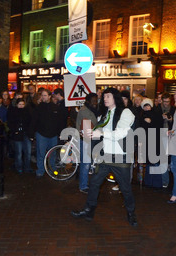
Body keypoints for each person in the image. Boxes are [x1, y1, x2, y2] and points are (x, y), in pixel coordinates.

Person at [70, 87, 137, 227]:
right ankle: (89, 210)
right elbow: (101, 129)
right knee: (94, 183)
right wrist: (90, 132)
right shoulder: (106, 113)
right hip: (106, 155)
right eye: (104, 96)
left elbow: (120, 134)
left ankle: (131, 213)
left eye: (108, 96)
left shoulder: (126, 112)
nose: (104, 99)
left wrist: (100, 134)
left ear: (115, 98)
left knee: (125, 188)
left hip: (121, 156)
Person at [32, 89, 63, 178]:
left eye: (45, 95)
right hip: (42, 133)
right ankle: (40, 170)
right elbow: (34, 121)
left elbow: (59, 122)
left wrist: (59, 132)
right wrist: (32, 132)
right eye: (42, 95)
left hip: (52, 134)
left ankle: (51, 169)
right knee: (41, 153)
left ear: (49, 96)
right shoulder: (38, 108)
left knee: (52, 154)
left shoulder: (55, 107)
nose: (43, 97)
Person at [76, 93, 100, 193]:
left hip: (89, 139)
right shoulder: (85, 111)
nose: (95, 103)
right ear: (88, 101)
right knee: (85, 164)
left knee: (87, 163)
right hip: (86, 140)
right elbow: (87, 128)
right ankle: (83, 186)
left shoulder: (91, 110)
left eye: (96, 100)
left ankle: (84, 183)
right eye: (93, 101)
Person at [138, 98, 164, 189]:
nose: (147, 108)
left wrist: (151, 121)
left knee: (155, 161)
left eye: (148, 105)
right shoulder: (141, 116)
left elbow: (159, 125)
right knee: (149, 162)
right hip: (146, 141)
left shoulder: (156, 114)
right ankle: (149, 182)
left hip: (154, 140)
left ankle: (157, 183)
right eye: (145, 106)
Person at [7, 99, 34, 174]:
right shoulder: (13, 112)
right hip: (18, 134)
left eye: (22, 104)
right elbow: (10, 122)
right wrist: (14, 130)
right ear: (17, 105)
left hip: (26, 133)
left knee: (27, 152)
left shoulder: (28, 112)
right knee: (18, 152)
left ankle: (27, 167)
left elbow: (30, 122)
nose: (21, 106)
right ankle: (19, 167)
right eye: (20, 104)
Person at [158, 92, 175, 188]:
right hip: (161, 134)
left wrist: (171, 120)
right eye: (164, 102)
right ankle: (165, 180)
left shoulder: (174, 109)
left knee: (169, 157)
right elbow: (155, 122)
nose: (166, 104)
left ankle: (166, 178)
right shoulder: (157, 109)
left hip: (170, 134)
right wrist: (161, 118)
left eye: (168, 102)